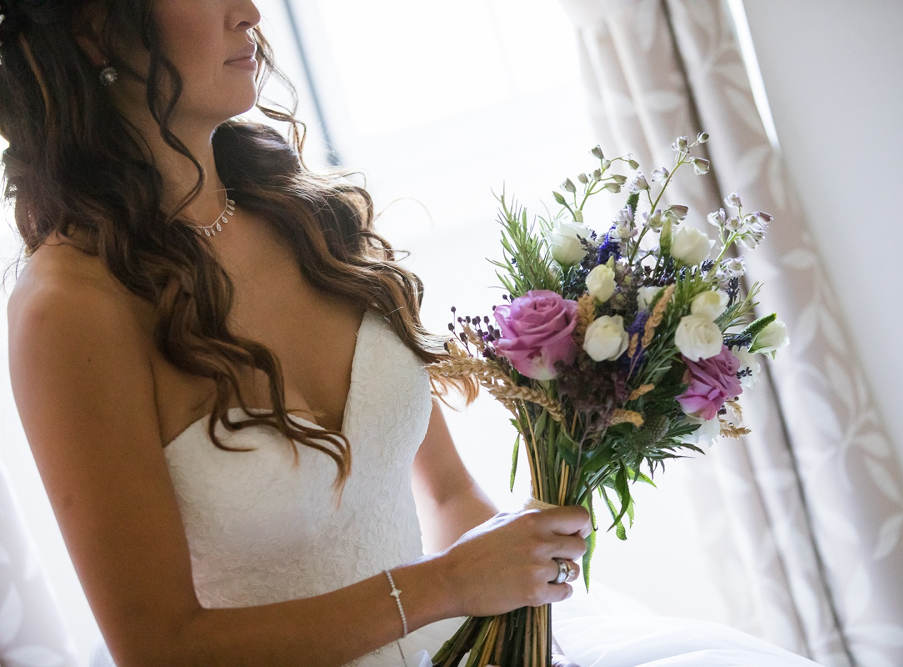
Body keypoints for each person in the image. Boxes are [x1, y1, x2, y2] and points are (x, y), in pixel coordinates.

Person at [0, 2, 822, 665]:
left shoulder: (313, 221)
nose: (249, 12)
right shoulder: (70, 310)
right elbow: (160, 646)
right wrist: (448, 586)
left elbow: (447, 492)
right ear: (96, 25)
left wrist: (518, 568)